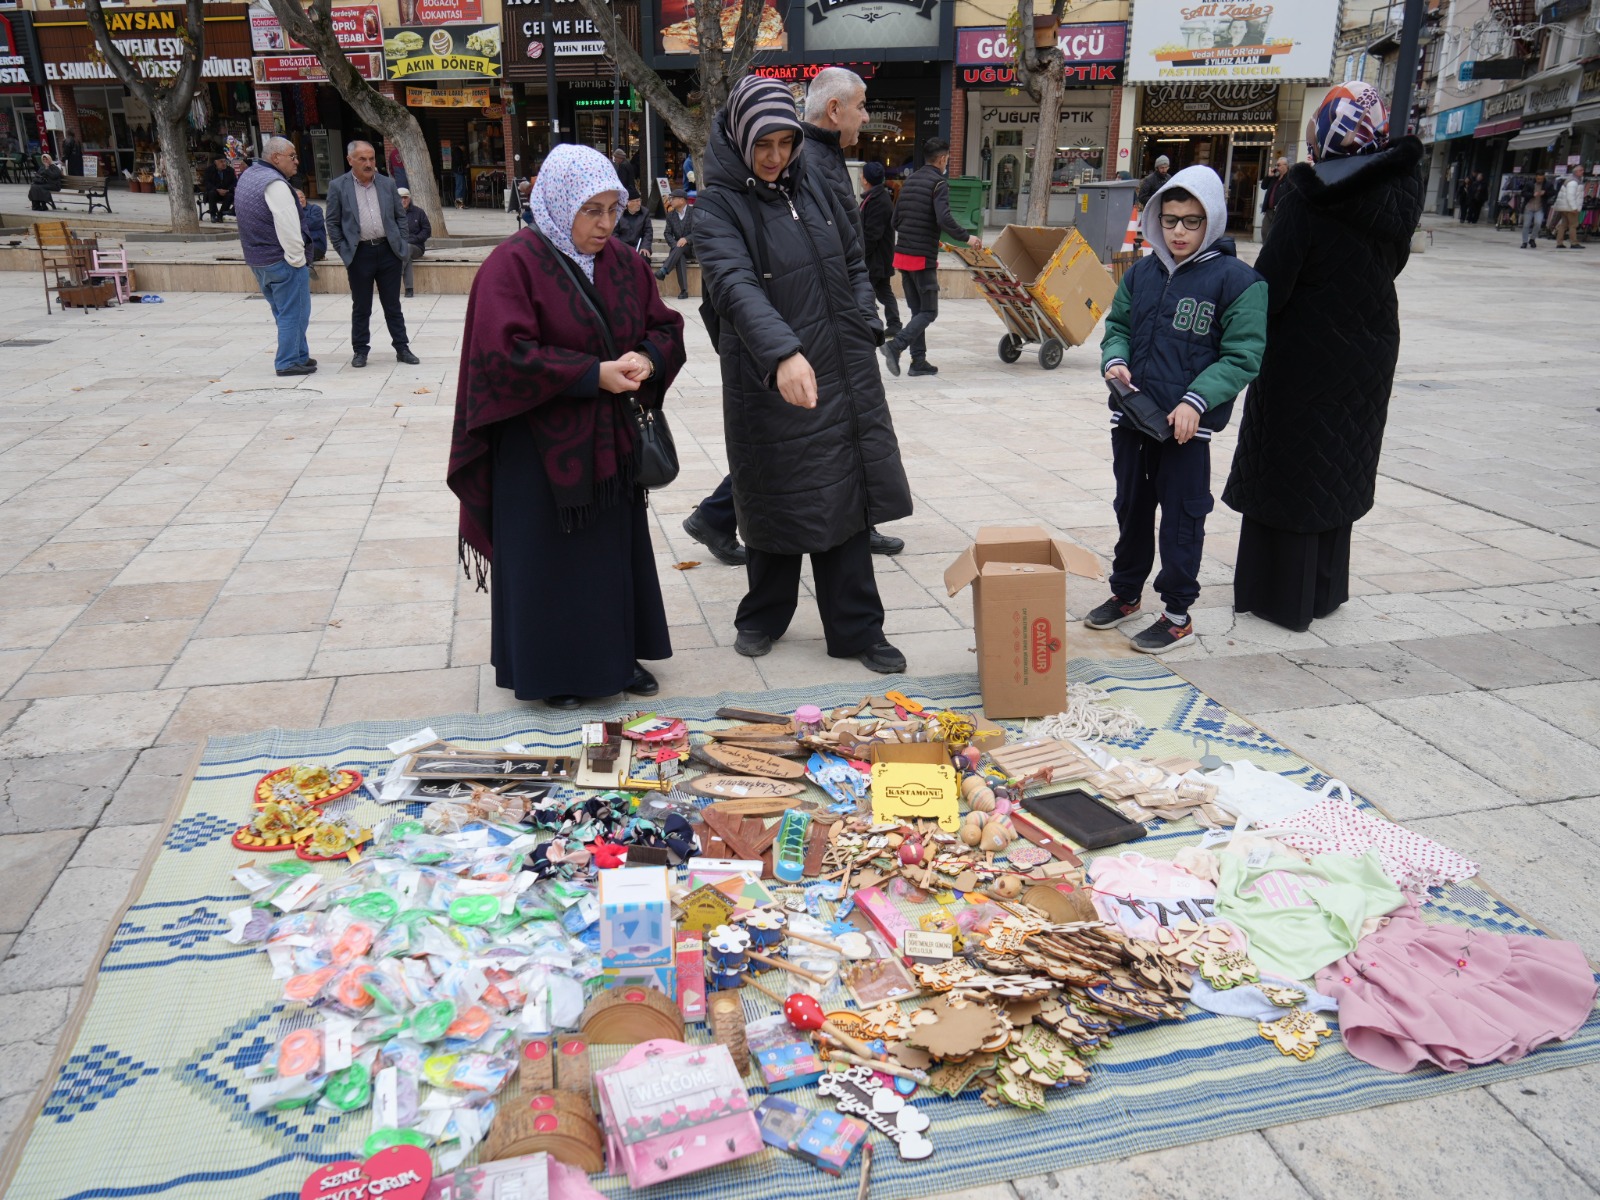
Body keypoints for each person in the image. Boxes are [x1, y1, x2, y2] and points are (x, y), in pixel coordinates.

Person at [447, 143, 686, 708]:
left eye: (613, 209)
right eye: (591, 211)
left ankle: (617, 658)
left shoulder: (625, 262)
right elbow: (502, 355)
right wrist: (590, 374)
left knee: (609, 557)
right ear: (556, 202)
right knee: (549, 563)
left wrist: (648, 359)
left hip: (610, 446)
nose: (606, 224)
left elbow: (665, 326)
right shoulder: (511, 266)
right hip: (535, 452)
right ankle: (552, 671)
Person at [694, 75, 912, 675]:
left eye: (785, 142)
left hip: (842, 364)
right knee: (776, 493)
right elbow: (734, 286)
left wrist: (865, 319)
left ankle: (858, 627)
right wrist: (783, 354)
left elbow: (852, 258)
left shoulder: (812, 179)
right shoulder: (716, 207)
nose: (775, 156)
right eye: (763, 144)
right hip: (770, 375)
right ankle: (763, 615)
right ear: (740, 140)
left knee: (846, 496)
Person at [1222, 84, 1424, 632]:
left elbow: (1271, 286)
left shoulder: (1307, 196)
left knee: (1292, 469)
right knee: (1339, 466)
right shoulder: (1397, 193)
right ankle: (1325, 590)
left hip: (1304, 355)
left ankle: (1281, 596)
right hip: (1370, 349)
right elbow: (1391, 266)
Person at [1088, 167, 1266, 654]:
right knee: (1130, 509)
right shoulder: (1141, 273)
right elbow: (1117, 327)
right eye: (1169, 221)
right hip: (1132, 418)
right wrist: (1115, 360)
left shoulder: (1239, 281)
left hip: (1186, 429)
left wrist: (1196, 401)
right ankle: (1126, 593)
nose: (1179, 232)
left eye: (1191, 221)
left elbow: (1242, 356)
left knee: (1182, 520)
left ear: (1212, 219)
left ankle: (1177, 615)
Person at [880, 137, 981, 380]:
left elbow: (895, 221)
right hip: (921, 258)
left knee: (918, 312)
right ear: (943, 159)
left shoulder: (910, 181)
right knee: (929, 312)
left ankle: (919, 361)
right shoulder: (939, 184)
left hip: (903, 256)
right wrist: (967, 238)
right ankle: (896, 346)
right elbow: (943, 219)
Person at [325, 140, 419, 368]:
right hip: (359, 254)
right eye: (362, 159)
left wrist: (401, 243)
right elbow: (332, 222)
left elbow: (400, 217)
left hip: (388, 252)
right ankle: (360, 351)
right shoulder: (338, 186)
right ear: (350, 160)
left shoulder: (387, 184)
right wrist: (344, 250)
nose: (368, 164)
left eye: (371, 158)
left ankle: (402, 348)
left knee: (392, 305)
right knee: (361, 306)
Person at [236, 137, 315, 378]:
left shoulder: (249, 176)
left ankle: (299, 355)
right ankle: (288, 361)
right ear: (276, 157)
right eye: (292, 156)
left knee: (284, 311)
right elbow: (289, 227)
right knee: (294, 312)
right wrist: (298, 261)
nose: (297, 161)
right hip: (281, 260)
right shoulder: (275, 184)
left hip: (258, 260)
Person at [859, 161, 900, 337]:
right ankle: (894, 324)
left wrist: (860, 254)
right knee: (883, 291)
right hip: (878, 258)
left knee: (865, 293)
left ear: (866, 180)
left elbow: (872, 235)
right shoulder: (875, 197)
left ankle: (870, 326)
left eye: (862, 174)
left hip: (876, 258)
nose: (860, 177)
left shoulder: (878, 201)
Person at [655, 190, 692, 299]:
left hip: (693, 248)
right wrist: (675, 244)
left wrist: (686, 239)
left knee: (681, 246)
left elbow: (700, 231)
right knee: (680, 254)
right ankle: (684, 291)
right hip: (678, 249)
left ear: (682, 200)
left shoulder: (694, 213)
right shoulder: (670, 215)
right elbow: (667, 233)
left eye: (673, 198)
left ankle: (664, 269)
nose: (670, 201)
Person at [399, 186, 431, 298]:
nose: (403, 200)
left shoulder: (419, 212)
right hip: (398, 247)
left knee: (407, 248)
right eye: (400, 198)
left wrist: (414, 239)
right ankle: (409, 289)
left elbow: (427, 231)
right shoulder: (392, 213)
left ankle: (396, 274)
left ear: (409, 198)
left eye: (405, 198)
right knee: (406, 257)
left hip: (416, 247)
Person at [1551, 165, 1585, 249]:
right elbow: (1570, 196)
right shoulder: (1573, 182)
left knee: (1564, 225)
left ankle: (1559, 242)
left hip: (1565, 207)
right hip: (1570, 208)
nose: (1583, 172)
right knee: (1573, 225)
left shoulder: (1572, 180)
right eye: (1581, 170)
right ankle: (1574, 243)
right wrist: (1574, 207)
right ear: (1576, 172)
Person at [1259, 155, 1288, 240]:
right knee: (1264, 231)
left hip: (1280, 211)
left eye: (1278, 165)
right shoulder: (1274, 178)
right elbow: (1263, 186)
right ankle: (1266, 247)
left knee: (1277, 234)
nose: (1276, 167)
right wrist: (1269, 176)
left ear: (1285, 166)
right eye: (1276, 165)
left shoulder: (1289, 179)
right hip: (1269, 211)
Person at [615, 194, 652, 258]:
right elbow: (614, 233)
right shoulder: (619, 213)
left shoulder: (645, 212)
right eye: (637, 201)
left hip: (639, 246)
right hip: (622, 245)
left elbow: (648, 232)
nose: (639, 204)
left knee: (644, 256)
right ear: (628, 202)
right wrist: (619, 246)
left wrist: (645, 247)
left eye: (640, 201)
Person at [202, 154, 235, 223]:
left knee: (230, 196)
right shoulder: (209, 170)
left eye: (225, 161)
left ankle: (220, 214)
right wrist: (217, 189)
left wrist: (227, 190)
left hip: (226, 192)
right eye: (221, 162)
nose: (224, 164)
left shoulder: (230, 170)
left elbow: (234, 183)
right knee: (212, 193)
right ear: (216, 162)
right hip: (214, 192)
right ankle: (213, 215)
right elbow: (206, 182)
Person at [1521, 172, 1548, 249]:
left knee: (1538, 223)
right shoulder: (1529, 184)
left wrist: (1545, 193)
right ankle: (1524, 242)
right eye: (1538, 178)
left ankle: (1532, 239)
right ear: (1535, 177)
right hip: (1529, 207)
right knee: (1526, 225)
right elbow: (1523, 193)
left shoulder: (1547, 185)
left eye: (1541, 179)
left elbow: (1553, 192)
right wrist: (1532, 195)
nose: (1540, 180)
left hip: (1540, 207)